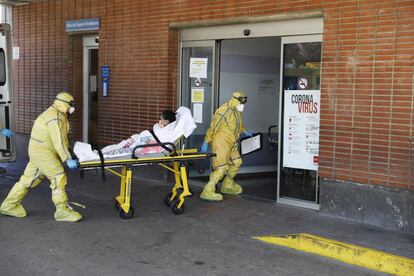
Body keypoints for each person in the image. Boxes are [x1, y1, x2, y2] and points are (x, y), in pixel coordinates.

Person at [0, 92, 82, 222]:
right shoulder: (54, 118)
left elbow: (63, 139)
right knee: (58, 176)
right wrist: (67, 159)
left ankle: (9, 205)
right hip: (43, 152)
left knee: (28, 180)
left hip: (38, 151)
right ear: (64, 104)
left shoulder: (59, 115)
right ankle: (62, 211)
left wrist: (71, 153)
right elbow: (58, 141)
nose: (72, 108)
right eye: (71, 105)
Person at [199, 90, 253, 201]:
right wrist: (206, 141)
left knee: (237, 162)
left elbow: (238, 124)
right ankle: (208, 191)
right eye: (241, 102)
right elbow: (213, 127)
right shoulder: (223, 111)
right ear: (234, 99)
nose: (242, 105)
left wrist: (245, 131)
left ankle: (227, 185)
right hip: (221, 143)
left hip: (232, 142)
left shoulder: (237, 111)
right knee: (221, 168)